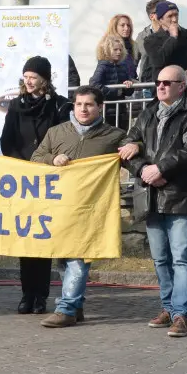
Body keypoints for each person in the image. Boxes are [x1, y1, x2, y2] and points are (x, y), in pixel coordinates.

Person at [119, 65, 187, 337]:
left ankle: (182, 314)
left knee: (181, 257)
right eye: (157, 82)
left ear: (182, 86)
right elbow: (127, 145)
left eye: (167, 83)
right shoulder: (147, 114)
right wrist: (143, 171)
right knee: (160, 259)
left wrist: (161, 170)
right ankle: (169, 307)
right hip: (150, 196)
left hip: (181, 195)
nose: (160, 87)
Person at [32, 86, 126, 327]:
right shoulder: (56, 133)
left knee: (78, 257)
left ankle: (66, 309)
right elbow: (35, 159)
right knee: (63, 259)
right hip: (60, 208)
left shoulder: (113, 136)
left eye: (89, 104)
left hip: (91, 209)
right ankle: (75, 304)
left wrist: (135, 147)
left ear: (99, 107)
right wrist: (52, 159)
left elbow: (132, 152)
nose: (83, 109)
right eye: (79, 104)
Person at [0, 56, 70, 315]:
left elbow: (62, 138)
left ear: (45, 79)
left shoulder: (59, 106)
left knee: (43, 238)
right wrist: (22, 166)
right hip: (23, 179)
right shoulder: (17, 106)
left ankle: (40, 295)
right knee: (25, 239)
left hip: (48, 179)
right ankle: (26, 293)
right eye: (26, 76)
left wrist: (46, 163)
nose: (28, 81)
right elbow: (8, 141)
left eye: (34, 77)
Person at [143, 1, 187, 91]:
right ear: (160, 19)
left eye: (176, 15)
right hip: (165, 92)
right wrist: (173, 38)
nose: (174, 19)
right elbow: (159, 61)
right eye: (170, 16)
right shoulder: (151, 40)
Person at [90, 36, 135, 131]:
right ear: (107, 50)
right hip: (107, 112)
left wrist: (128, 85)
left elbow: (129, 92)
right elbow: (94, 85)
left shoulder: (123, 66)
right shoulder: (103, 66)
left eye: (120, 49)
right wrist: (116, 91)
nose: (118, 52)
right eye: (115, 49)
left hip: (121, 111)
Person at [136, 0, 165, 91]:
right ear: (152, 16)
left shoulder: (175, 32)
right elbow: (133, 62)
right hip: (147, 87)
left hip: (168, 85)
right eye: (161, 11)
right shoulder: (141, 36)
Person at [101, 14, 139, 80]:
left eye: (128, 25)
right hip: (116, 86)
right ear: (114, 27)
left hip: (131, 86)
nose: (126, 28)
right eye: (122, 25)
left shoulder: (132, 45)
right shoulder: (107, 45)